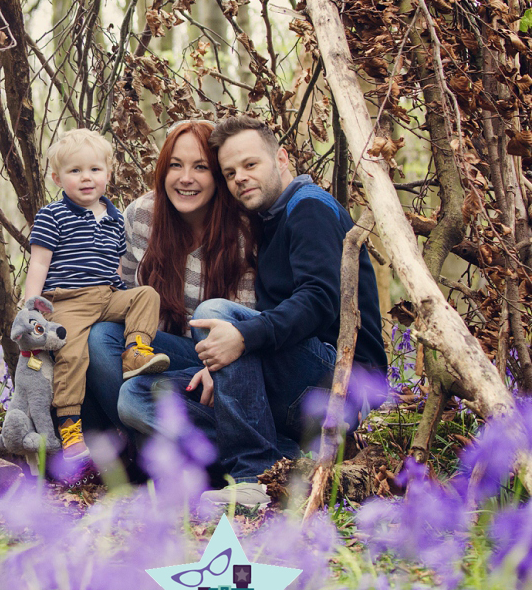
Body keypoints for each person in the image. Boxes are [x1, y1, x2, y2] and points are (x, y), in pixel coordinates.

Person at [118, 114, 388, 512]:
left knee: (215, 313)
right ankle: (285, 464)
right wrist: (224, 359)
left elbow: (319, 300)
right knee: (136, 396)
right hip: (285, 383)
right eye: (229, 172)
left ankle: (251, 477)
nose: (240, 177)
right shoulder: (268, 220)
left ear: (281, 159)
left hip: (341, 383)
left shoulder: (309, 208)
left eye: (250, 164)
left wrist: (242, 337)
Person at [83, 119, 255, 449]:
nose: (185, 178)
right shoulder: (142, 215)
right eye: (175, 165)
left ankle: (206, 453)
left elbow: (246, 319)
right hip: (153, 353)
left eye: (200, 167)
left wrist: (218, 369)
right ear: (163, 170)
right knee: (100, 337)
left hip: (217, 360)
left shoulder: (243, 229)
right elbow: (122, 296)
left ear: (218, 175)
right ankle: (144, 450)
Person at [24, 128, 171, 465]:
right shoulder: (52, 216)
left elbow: (119, 268)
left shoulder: (117, 218)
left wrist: (122, 294)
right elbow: (38, 263)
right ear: (57, 178)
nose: (86, 178)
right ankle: (71, 428)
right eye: (75, 171)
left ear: (108, 173)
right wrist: (33, 308)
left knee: (146, 295)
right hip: (68, 301)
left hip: (107, 295)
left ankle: (136, 350)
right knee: (72, 357)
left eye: (94, 170)